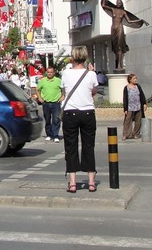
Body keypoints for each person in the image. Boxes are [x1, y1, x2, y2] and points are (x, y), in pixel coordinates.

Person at [60, 45, 99, 193]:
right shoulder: (91, 74)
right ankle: (91, 182)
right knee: (89, 146)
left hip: (70, 112)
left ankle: (73, 183)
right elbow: (94, 91)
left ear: (73, 58)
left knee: (71, 147)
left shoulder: (65, 74)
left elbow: (64, 91)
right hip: (88, 112)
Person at [100, 0, 148, 71]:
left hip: (120, 29)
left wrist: (140, 20)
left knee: (119, 46)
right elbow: (103, 6)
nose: (118, 3)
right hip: (113, 29)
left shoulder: (123, 12)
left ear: (121, 4)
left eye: (119, 2)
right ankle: (117, 62)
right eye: (117, 2)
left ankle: (119, 65)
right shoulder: (113, 9)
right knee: (115, 47)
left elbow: (129, 21)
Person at [36, 67, 62, 143]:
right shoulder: (43, 81)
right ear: (46, 73)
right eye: (48, 72)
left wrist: (62, 97)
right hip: (46, 103)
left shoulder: (58, 81)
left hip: (56, 103)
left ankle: (55, 135)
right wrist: (39, 98)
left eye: (51, 72)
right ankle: (49, 134)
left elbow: (64, 89)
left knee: (56, 119)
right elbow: (37, 89)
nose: (49, 73)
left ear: (54, 73)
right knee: (47, 119)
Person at [122, 73, 147, 140]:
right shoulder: (126, 88)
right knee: (127, 121)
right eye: (134, 78)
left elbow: (142, 95)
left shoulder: (138, 86)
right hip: (130, 107)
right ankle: (126, 134)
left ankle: (136, 134)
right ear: (130, 80)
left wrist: (144, 103)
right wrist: (125, 109)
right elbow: (125, 98)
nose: (135, 80)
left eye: (136, 78)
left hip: (138, 106)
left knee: (138, 121)